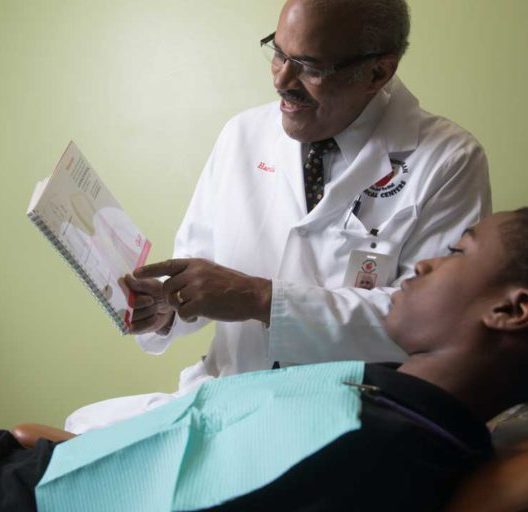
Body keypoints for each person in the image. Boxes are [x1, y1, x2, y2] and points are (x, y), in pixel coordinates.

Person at [65, 0, 491, 433]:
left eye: (309, 66)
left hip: (347, 418)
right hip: (227, 396)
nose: (282, 80)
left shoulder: (448, 160)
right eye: (278, 53)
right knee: (71, 435)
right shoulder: (242, 136)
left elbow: (435, 325)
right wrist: (166, 308)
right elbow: (198, 268)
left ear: (378, 72)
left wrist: (262, 298)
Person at [3, 209, 528, 512]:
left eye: (458, 252)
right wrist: (56, 452)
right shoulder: (371, 393)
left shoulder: (371, 447)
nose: (427, 262)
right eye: (279, 54)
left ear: (511, 309)